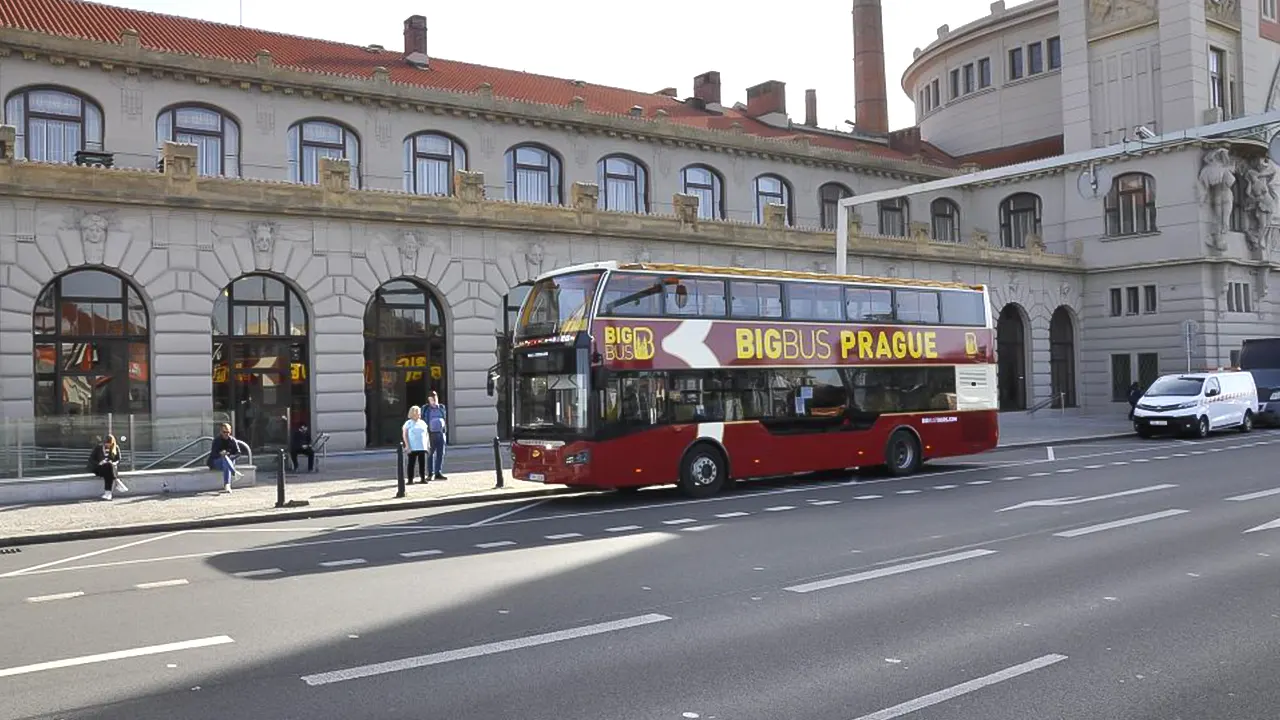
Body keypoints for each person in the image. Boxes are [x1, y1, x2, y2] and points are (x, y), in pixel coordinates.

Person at [207, 423, 243, 493]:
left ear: (230, 432)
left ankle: (227, 485)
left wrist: (230, 456)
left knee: (226, 461)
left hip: (228, 461)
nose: (226, 434)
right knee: (225, 459)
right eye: (224, 432)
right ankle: (234, 473)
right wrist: (220, 454)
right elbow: (213, 454)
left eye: (228, 432)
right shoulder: (217, 440)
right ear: (221, 432)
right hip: (216, 462)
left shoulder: (232, 440)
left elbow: (238, 453)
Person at [89, 435, 126, 501]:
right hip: (99, 468)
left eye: (109, 444)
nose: (108, 445)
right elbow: (91, 459)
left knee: (108, 468)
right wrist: (99, 462)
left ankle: (108, 494)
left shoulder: (116, 447)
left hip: (110, 469)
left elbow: (118, 459)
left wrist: (114, 463)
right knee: (108, 468)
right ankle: (116, 482)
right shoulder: (99, 447)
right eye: (106, 444)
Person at [425, 391, 448, 481]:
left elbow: (444, 418)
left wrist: (444, 431)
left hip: (440, 433)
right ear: (429, 400)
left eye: (435, 398)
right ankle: (430, 473)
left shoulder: (441, 407)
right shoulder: (426, 409)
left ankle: (438, 472)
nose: (434, 400)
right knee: (430, 454)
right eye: (431, 399)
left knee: (440, 453)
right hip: (430, 434)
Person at [402, 405, 429, 484]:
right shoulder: (408, 423)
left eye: (419, 413)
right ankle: (410, 479)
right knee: (411, 463)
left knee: (422, 464)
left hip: (422, 446)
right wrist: (407, 446)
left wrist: (427, 444)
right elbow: (405, 435)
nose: (419, 415)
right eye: (417, 413)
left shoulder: (422, 423)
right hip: (413, 447)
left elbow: (426, 434)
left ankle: (423, 478)